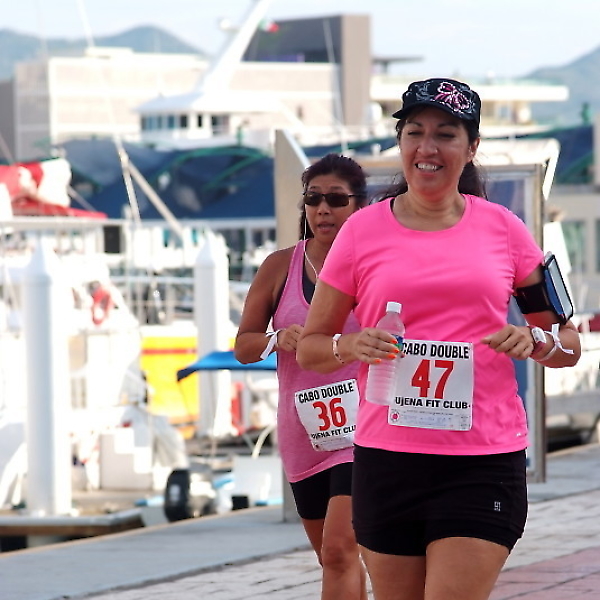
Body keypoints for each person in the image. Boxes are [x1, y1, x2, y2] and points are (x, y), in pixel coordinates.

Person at [297, 78, 581, 600]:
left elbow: (567, 343)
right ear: (400, 142)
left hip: (482, 459)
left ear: (471, 148)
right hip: (387, 459)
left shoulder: (505, 229)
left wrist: (535, 340)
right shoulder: (361, 232)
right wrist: (350, 346)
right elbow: (313, 346)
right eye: (415, 132)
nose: (427, 147)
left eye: (445, 134)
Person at [234, 153, 369, 600]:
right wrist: (277, 339)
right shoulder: (280, 266)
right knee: (332, 558)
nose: (323, 209)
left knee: (339, 547)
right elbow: (244, 345)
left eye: (336, 199)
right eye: (313, 199)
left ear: (359, 205)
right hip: (304, 430)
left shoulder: (375, 264)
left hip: (364, 427)